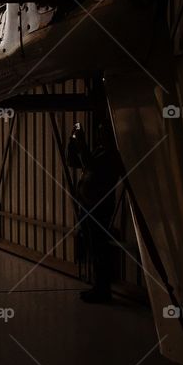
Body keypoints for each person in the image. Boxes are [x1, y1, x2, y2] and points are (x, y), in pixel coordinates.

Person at [66, 122, 119, 303]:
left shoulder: (110, 155)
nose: (100, 136)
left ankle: (102, 289)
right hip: (89, 206)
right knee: (93, 247)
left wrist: (81, 142)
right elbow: (74, 161)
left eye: (103, 132)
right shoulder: (99, 151)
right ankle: (99, 287)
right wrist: (72, 142)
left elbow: (90, 165)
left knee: (98, 248)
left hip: (99, 208)